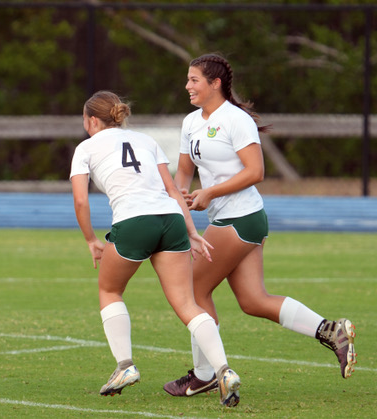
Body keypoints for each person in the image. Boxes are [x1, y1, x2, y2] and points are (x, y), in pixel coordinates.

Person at [164, 53, 356, 397]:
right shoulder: (191, 122)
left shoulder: (235, 120)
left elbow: (256, 172)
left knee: (193, 290)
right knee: (253, 300)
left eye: (194, 80)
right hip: (231, 218)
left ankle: (205, 373)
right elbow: (183, 172)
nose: (187, 86)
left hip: (241, 217)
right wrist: (181, 198)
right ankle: (331, 330)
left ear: (215, 83)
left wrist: (210, 193)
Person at [70, 90, 241, 407]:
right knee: (188, 304)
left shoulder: (85, 148)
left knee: (110, 290)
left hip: (134, 222)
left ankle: (125, 365)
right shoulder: (145, 140)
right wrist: (191, 231)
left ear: (92, 120)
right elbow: (174, 190)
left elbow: (80, 200)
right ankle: (224, 370)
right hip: (171, 220)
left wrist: (91, 240)